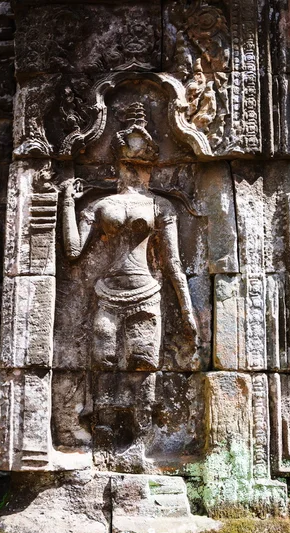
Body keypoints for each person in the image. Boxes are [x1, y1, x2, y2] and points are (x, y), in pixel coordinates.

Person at [61, 102, 198, 371]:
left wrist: (186, 311)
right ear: (117, 159)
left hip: (146, 294)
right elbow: (73, 252)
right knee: (102, 365)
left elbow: (173, 264)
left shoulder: (160, 206)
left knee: (144, 367)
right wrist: (67, 202)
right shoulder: (101, 205)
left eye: (142, 161)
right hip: (107, 294)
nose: (137, 169)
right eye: (130, 160)